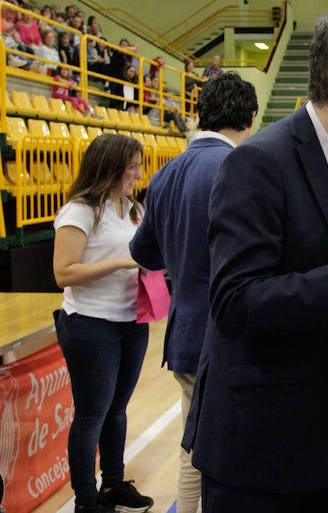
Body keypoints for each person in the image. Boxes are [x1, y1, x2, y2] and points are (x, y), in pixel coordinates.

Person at [182, 4, 328, 512]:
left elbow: (322, 267)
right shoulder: (258, 162)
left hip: (326, 437)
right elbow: (235, 303)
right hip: (264, 452)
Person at [129, 72, 257, 513]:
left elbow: (143, 252)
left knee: (193, 447)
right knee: (228, 454)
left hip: (183, 333)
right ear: (250, 117)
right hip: (226, 337)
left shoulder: (165, 173)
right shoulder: (237, 166)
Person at [51, 134, 154, 513]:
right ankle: (86, 499)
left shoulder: (132, 209)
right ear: (110, 166)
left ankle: (113, 484)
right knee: (92, 413)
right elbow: (64, 272)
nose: (138, 174)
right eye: (132, 166)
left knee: (118, 409)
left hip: (132, 320)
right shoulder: (80, 211)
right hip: (91, 325)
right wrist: (121, 262)